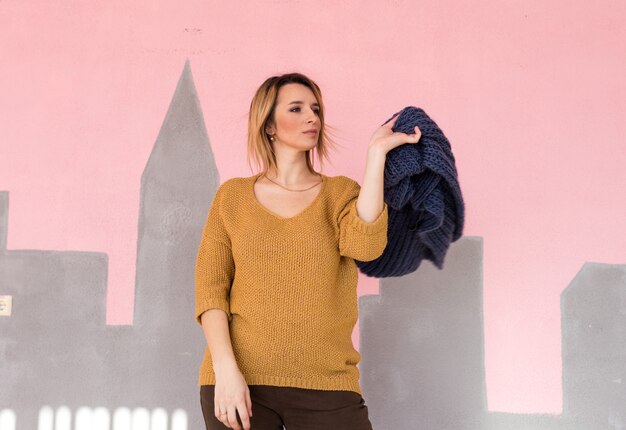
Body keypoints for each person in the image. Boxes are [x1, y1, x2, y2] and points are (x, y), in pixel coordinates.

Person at [195, 72, 421, 430]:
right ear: (269, 124)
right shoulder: (232, 197)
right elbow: (211, 291)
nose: (312, 117)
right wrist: (225, 371)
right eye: (296, 108)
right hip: (240, 383)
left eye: (315, 108)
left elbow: (365, 245)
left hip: (327, 383)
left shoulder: (341, 193)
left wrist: (376, 154)